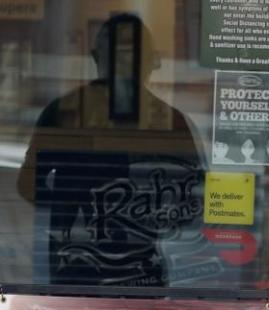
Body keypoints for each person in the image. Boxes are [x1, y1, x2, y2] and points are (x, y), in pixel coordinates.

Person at [17, 12, 205, 286]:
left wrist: (71, 201)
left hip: (75, 274)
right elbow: (193, 206)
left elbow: (28, 186)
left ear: (94, 58)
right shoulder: (173, 123)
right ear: (152, 62)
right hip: (141, 280)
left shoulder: (62, 113)